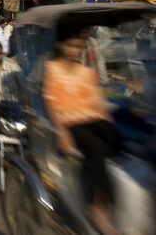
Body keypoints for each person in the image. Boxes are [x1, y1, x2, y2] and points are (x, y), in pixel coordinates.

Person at [43, 26, 120, 235]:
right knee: (97, 148)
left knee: (118, 140)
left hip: (91, 117)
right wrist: (63, 132)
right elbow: (51, 102)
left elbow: (97, 102)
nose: (75, 50)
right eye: (71, 45)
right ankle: (98, 209)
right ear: (61, 46)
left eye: (79, 46)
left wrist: (109, 124)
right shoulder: (52, 68)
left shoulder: (86, 72)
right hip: (70, 122)